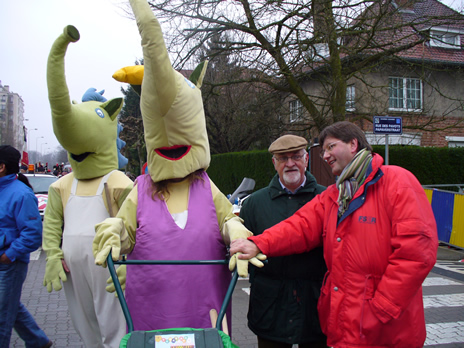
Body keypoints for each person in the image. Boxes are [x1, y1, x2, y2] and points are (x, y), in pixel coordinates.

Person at [230, 121, 438, 348]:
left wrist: (382, 306)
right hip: (348, 320)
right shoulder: (336, 195)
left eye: (330, 147)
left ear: (353, 144)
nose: (325, 155)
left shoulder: (397, 182)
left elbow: (416, 252)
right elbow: (299, 227)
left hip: (388, 326)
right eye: (323, 150)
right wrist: (258, 244)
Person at [239, 134, 327, 348]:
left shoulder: (326, 199)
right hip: (270, 306)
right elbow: (245, 250)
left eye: (296, 157)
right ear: (274, 163)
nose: (290, 164)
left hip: (314, 304)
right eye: (283, 158)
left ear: (306, 159)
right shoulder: (254, 204)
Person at [0, 145, 53, 348]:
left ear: (2, 167)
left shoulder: (21, 194)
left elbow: (32, 234)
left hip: (9, 265)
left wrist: (9, 255)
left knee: (3, 317)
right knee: (10, 307)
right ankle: (37, 341)